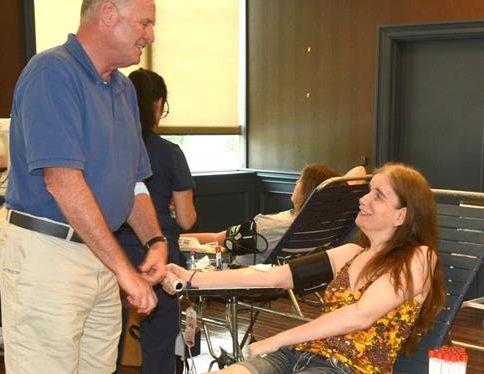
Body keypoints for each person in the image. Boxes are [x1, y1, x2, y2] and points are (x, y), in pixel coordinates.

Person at [0, 0, 167, 374]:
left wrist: (156, 240)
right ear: (108, 14)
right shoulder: (51, 73)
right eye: (144, 22)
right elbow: (63, 182)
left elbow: (133, 181)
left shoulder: (124, 90)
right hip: (48, 256)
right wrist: (125, 271)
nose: (150, 35)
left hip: (99, 255)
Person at [167, 163, 446, 374]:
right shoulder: (350, 253)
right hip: (296, 354)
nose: (363, 200)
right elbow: (275, 276)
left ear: (402, 215)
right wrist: (192, 278)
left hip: (347, 368)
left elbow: (360, 315)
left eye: (378, 195)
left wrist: (275, 340)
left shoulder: (420, 258)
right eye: (367, 191)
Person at [116, 68, 196, 374]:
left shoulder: (113, 150)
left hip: (113, 253)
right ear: (158, 104)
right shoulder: (170, 153)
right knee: (159, 350)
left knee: (105, 345)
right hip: (160, 256)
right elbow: (187, 220)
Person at [182, 164, 365, 265]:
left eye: (300, 179)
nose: (295, 181)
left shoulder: (269, 226)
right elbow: (359, 170)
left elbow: (218, 239)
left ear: (307, 191)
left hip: (245, 275)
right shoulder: (328, 222)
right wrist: (329, 191)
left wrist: (173, 238)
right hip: (296, 274)